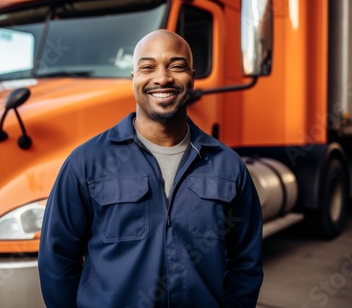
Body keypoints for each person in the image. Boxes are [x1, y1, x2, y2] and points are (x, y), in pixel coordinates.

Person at [38, 29, 263, 307]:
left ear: (192, 77)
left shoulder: (228, 166)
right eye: (148, 67)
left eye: (176, 66)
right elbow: (57, 259)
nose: (162, 78)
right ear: (134, 79)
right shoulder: (86, 163)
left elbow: (246, 262)